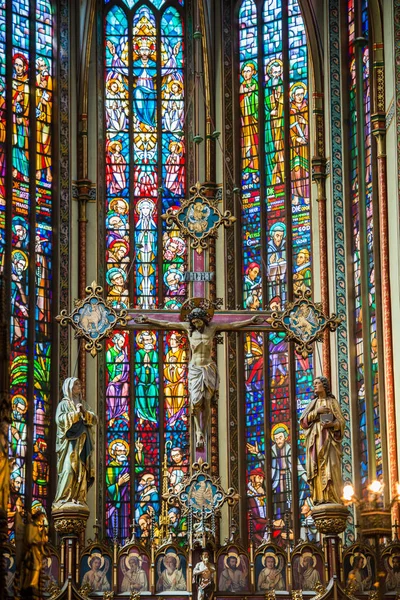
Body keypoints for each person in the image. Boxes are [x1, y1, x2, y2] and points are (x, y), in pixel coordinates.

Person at [136, 306, 258, 447]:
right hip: (195, 370)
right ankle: (198, 430)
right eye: (193, 322)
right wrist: (149, 319)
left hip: (208, 368)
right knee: (195, 402)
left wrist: (250, 321)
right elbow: (167, 324)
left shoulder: (212, 328)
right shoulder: (188, 329)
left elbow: (231, 325)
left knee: (207, 401)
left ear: (203, 320)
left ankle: (202, 432)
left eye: (198, 322)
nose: (196, 324)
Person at [52, 378, 97, 509]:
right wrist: (76, 414)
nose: (80, 386)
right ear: (69, 387)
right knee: (68, 470)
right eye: (76, 384)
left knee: (81, 472)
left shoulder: (83, 404)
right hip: (69, 446)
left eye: (79, 384)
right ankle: (63, 498)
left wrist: (84, 412)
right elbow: (59, 420)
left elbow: (95, 419)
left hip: (83, 444)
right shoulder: (63, 404)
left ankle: (78, 497)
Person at [300, 376, 345, 504]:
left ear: (324, 386)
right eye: (314, 384)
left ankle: (332, 498)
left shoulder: (332, 402)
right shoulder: (312, 404)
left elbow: (341, 422)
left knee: (331, 467)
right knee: (318, 470)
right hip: (315, 441)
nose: (315, 385)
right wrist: (316, 412)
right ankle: (319, 497)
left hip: (329, 442)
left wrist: (331, 425)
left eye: (318, 383)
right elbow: (303, 422)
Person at [239, 62, 259, 183]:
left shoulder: (256, 85)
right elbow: (241, 103)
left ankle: (255, 171)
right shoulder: (242, 86)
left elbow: (258, 102)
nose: (246, 74)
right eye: (244, 72)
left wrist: (252, 94)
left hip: (254, 121)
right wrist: (246, 95)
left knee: (255, 146)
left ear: (253, 72)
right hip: (245, 121)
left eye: (248, 71)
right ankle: (246, 169)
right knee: (246, 146)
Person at [106, 439, 130, 538]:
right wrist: (118, 485)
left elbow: (139, 469)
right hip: (115, 501)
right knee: (116, 524)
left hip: (126, 499)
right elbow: (108, 488)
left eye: (124, 451)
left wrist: (140, 452)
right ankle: (115, 542)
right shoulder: (111, 467)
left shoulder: (127, 466)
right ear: (114, 453)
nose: (122, 453)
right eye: (119, 451)